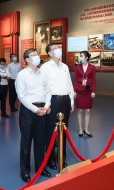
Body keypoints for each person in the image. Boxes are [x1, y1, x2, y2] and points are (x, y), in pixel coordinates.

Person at [15, 48, 52, 182]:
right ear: (27, 60)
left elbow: (48, 91)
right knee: (26, 142)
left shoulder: (43, 73)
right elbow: (21, 96)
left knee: (40, 141)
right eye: (34, 55)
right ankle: (25, 170)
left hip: (43, 109)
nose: (37, 57)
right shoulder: (22, 75)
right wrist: (35, 109)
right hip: (29, 111)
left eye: (37, 54)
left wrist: (47, 105)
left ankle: (40, 167)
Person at [42, 43, 74, 170]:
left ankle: (61, 157)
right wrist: (47, 104)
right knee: (51, 131)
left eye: (59, 48)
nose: (58, 50)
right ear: (50, 53)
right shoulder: (45, 68)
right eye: (55, 48)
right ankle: (50, 159)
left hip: (65, 100)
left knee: (64, 130)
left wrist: (72, 101)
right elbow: (44, 87)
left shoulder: (65, 66)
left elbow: (69, 84)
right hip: (53, 101)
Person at [74, 51, 97, 137]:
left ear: (86, 57)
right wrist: (74, 91)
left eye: (82, 56)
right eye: (80, 56)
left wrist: (93, 91)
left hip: (88, 90)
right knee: (80, 110)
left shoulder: (92, 67)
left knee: (88, 111)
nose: (80, 57)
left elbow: (94, 80)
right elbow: (75, 80)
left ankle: (86, 129)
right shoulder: (77, 67)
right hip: (79, 90)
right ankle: (80, 129)